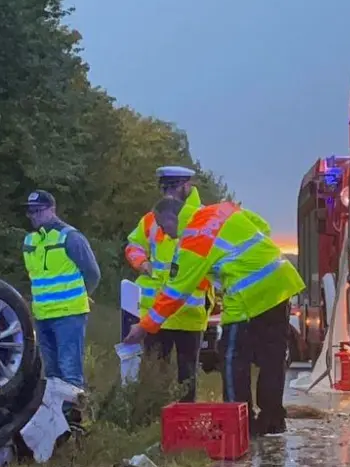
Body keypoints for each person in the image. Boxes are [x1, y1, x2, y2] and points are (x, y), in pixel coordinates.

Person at [124, 197, 304, 435]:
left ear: (171, 217)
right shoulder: (222, 209)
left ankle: (240, 424)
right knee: (273, 358)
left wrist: (145, 327)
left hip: (248, 295)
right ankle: (272, 420)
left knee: (231, 357)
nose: (166, 235)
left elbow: (176, 292)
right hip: (281, 283)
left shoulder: (194, 239)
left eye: (163, 227)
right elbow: (263, 226)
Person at [124, 166, 212, 401]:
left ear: (188, 186)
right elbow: (133, 245)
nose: (168, 193)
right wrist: (143, 263)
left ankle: (186, 421)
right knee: (154, 371)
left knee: (187, 374)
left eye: (172, 188)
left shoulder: (203, 218)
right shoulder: (152, 218)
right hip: (155, 311)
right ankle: (156, 418)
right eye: (164, 188)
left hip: (189, 310)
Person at [22, 190, 101, 389]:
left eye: (38, 210)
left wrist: (84, 294)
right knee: (51, 373)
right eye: (30, 211)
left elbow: (92, 273)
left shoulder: (70, 237)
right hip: (42, 314)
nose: (33, 215)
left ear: (52, 209)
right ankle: (57, 417)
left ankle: (73, 417)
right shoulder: (30, 241)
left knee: (70, 371)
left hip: (69, 314)